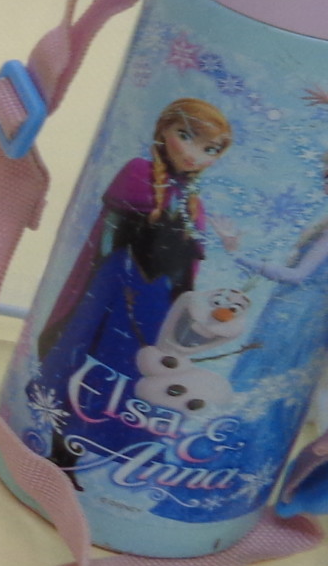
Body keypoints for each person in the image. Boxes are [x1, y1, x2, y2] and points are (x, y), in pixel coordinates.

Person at [29, 97, 236, 467]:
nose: (194, 154)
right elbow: (108, 237)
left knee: (132, 375)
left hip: (157, 304)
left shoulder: (192, 200)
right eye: (186, 136)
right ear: (163, 130)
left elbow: (187, 271)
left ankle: (100, 450)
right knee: (88, 359)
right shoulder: (138, 172)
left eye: (210, 149)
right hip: (116, 291)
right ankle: (62, 447)